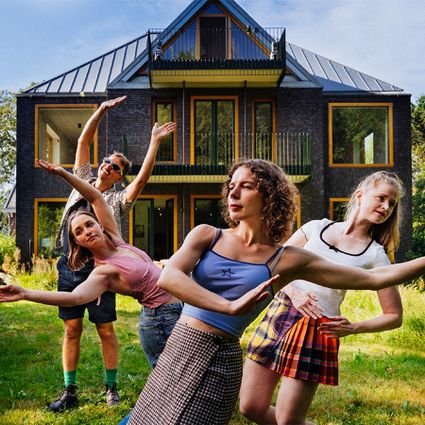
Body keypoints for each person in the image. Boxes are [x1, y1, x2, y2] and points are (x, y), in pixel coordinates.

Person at [122, 160, 425, 425]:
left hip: (226, 353)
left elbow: (373, 278)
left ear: (269, 196)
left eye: (246, 187)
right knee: (149, 416)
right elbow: (169, 277)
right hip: (181, 344)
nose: (233, 193)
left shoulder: (286, 259)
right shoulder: (207, 234)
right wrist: (228, 306)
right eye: (232, 186)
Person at [40, 95, 176, 411]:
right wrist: (100, 110)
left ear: (118, 177)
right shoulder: (81, 179)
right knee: (71, 329)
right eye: (106, 161)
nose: (107, 167)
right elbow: (84, 141)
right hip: (68, 266)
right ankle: (70, 391)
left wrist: (154, 142)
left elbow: (142, 179)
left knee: (105, 330)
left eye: (115, 167)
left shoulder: (116, 201)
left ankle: (111, 388)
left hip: (101, 270)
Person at [239, 171, 404, 425]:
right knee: (250, 408)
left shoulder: (375, 254)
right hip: (280, 313)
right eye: (381, 198)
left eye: (391, 204)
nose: (386, 207)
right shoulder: (316, 228)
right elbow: (271, 266)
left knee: (288, 420)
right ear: (360, 196)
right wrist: (293, 292)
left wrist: (354, 327)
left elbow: (394, 315)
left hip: (317, 328)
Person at [0, 160, 183, 383]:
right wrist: (25, 293)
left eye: (89, 224)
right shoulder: (102, 272)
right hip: (160, 321)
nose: (86, 231)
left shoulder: (117, 240)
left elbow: (96, 197)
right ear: (78, 242)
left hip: (179, 308)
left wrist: (62, 173)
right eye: (79, 232)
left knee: (188, 376)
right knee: (174, 381)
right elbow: (73, 298)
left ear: (99, 225)